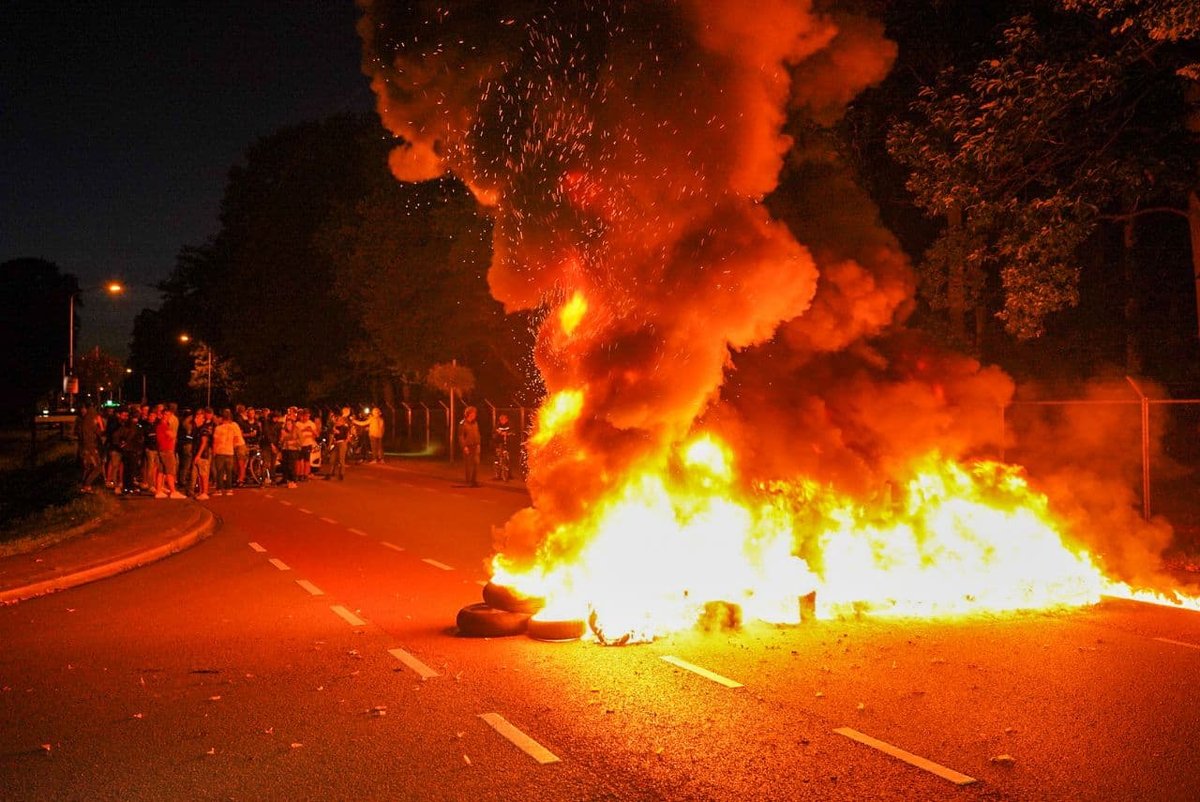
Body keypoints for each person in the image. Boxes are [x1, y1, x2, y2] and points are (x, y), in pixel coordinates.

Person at [154, 403, 185, 498]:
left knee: (161, 471)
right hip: (167, 450)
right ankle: (173, 491)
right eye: (166, 414)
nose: (168, 416)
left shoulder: (161, 424)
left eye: (169, 414)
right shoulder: (163, 425)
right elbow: (172, 435)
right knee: (170, 471)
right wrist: (172, 434)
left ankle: (158, 491)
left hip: (162, 450)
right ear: (163, 415)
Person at [211, 408, 244, 496]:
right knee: (229, 471)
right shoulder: (233, 427)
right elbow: (237, 438)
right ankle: (229, 489)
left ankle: (219, 490)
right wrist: (232, 446)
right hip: (229, 452)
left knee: (220, 472)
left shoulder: (218, 428)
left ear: (222, 418)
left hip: (220, 451)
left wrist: (214, 451)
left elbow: (215, 441)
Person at [77, 402, 104, 493]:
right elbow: (100, 432)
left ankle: (84, 486)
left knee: (88, 467)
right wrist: (100, 423)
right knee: (98, 467)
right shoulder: (91, 420)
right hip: (90, 448)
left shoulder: (83, 420)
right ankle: (86, 485)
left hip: (85, 447)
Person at [191, 408, 215, 500]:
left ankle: (205, 492)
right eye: (196, 416)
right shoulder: (196, 429)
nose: (196, 418)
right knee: (200, 474)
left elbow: (204, 442)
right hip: (197, 453)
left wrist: (198, 455)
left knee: (203, 474)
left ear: (203, 419)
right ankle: (201, 492)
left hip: (202, 455)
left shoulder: (203, 429)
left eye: (199, 417)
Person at [326, 407, 352, 481]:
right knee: (332, 459)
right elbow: (332, 436)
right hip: (336, 443)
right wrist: (330, 444)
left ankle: (341, 474)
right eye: (337, 420)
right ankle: (330, 473)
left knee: (341, 460)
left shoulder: (344, 427)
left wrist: (345, 442)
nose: (338, 421)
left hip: (342, 443)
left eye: (339, 420)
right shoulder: (335, 427)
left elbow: (347, 436)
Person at [459, 405, 481, 487]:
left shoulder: (475, 423)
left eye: (475, 413)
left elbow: (478, 434)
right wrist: (464, 446)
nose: (474, 415)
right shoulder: (462, 423)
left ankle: (474, 480)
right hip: (468, 446)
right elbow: (461, 436)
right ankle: (468, 480)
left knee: (476, 463)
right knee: (468, 464)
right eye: (473, 413)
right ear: (468, 414)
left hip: (475, 445)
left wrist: (478, 444)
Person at [492, 412, 513, 481]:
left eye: (504, 419)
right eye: (501, 419)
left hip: (507, 444)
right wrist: (499, 433)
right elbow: (494, 434)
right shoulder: (497, 425)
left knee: (507, 459)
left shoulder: (510, 425)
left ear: (507, 420)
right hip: (499, 444)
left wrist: (508, 434)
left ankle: (508, 474)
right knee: (497, 460)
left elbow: (513, 432)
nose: (502, 421)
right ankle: (497, 475)